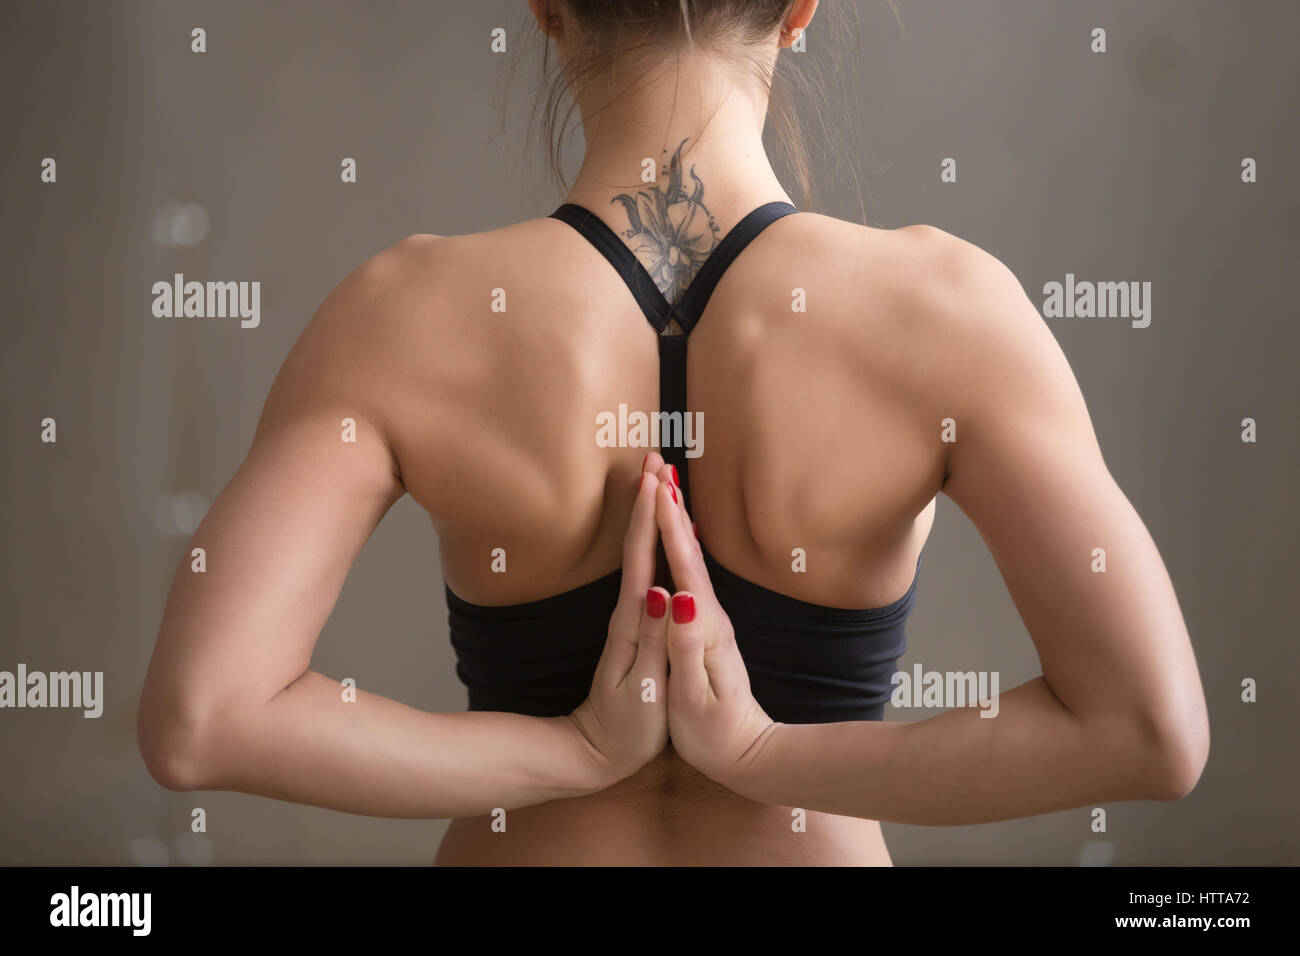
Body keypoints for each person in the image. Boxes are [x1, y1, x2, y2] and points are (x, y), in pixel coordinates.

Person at [138, 0, 1209, 865]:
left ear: (547, 9)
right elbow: (1149, 729)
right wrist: (761, 756)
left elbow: (204, 718)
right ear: (799, 10)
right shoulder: (949, 310)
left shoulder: (403, 311)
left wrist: (570, 751)